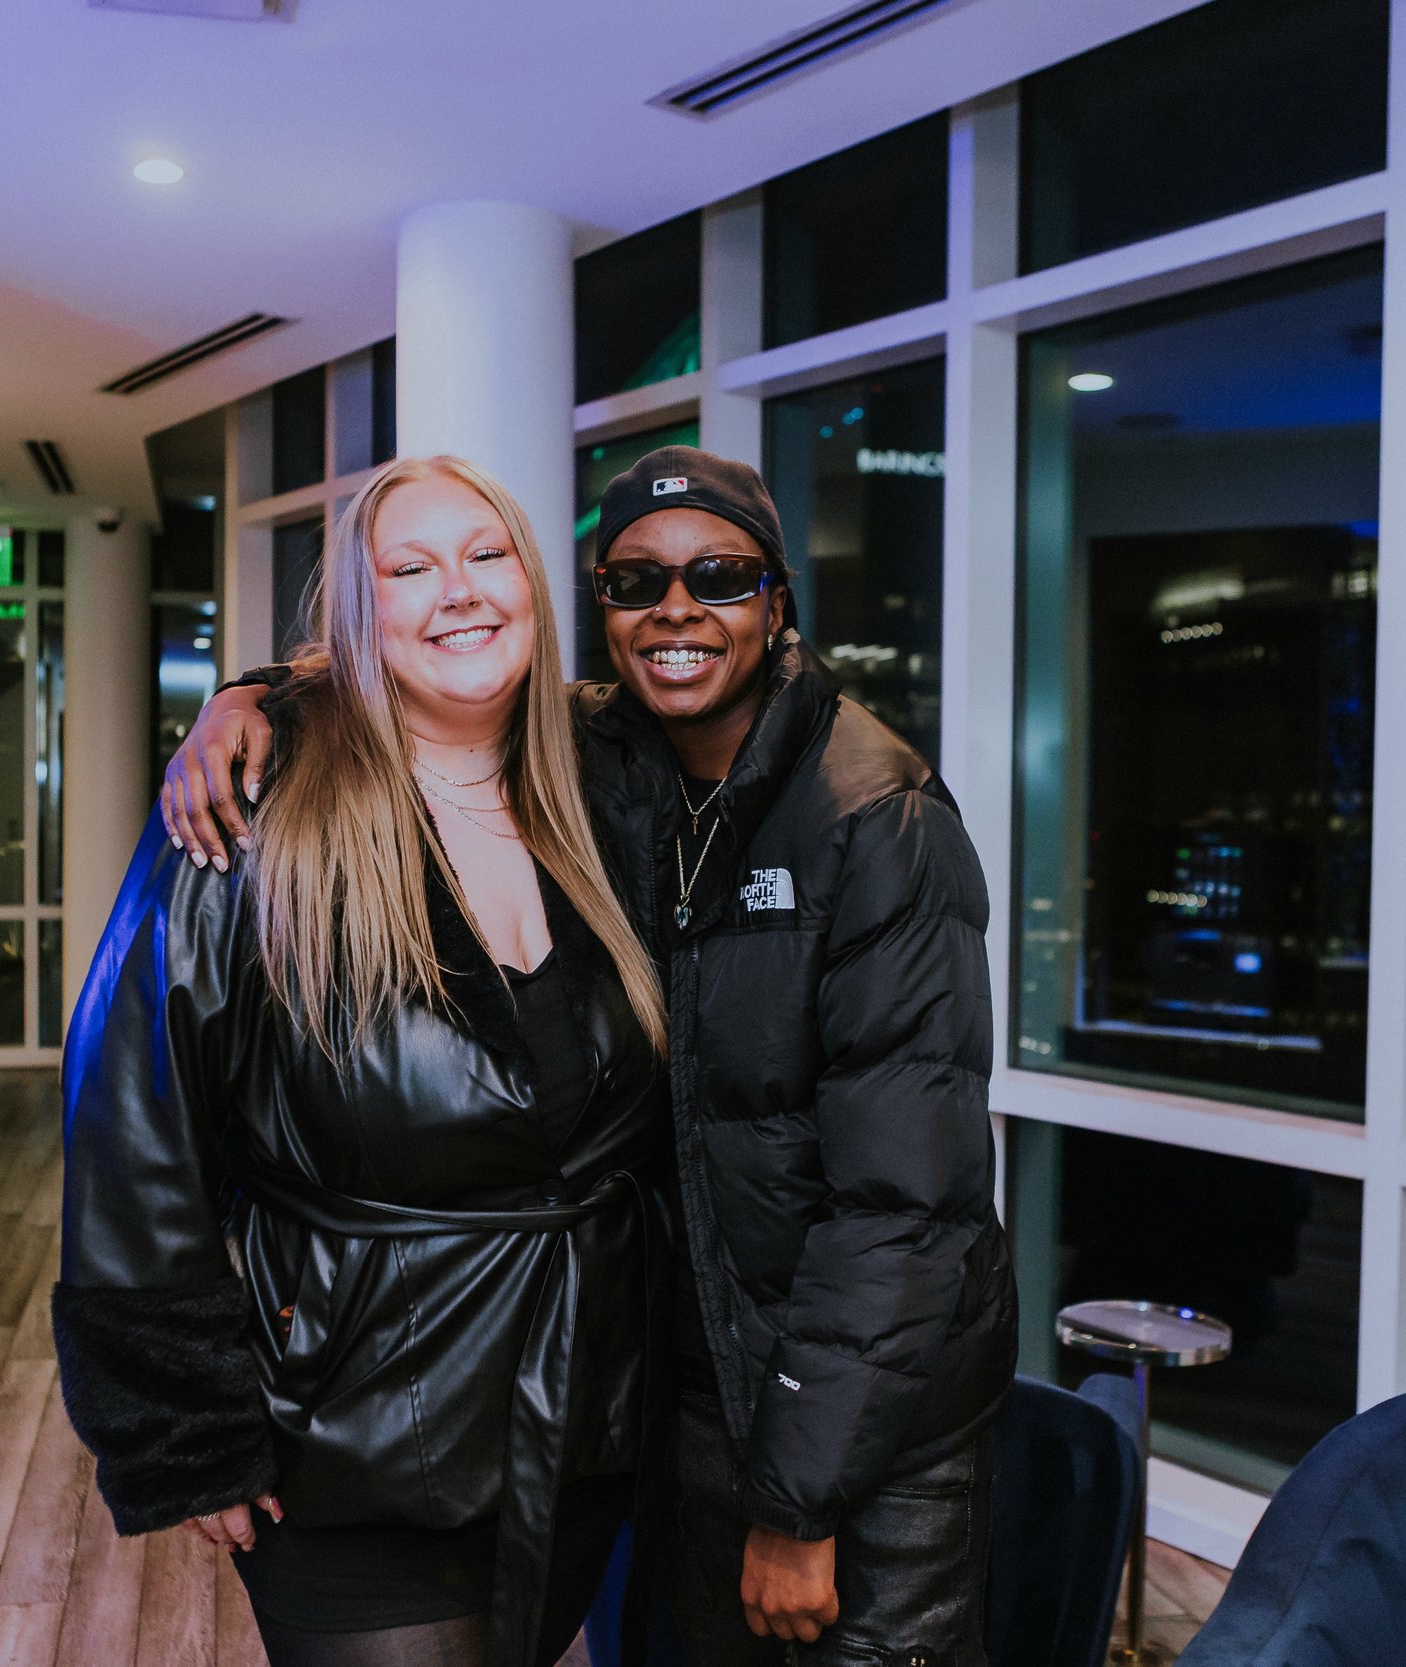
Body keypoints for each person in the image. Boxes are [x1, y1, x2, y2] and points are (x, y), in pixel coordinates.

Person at [166, 446, 1016, 1666]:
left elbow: (904, 1205)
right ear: (599, 610)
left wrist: (799, 1499)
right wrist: (249, 698)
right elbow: (413, 666)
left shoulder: (875, 817)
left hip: (867, 1431)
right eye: (635, 582)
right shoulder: (612, 762)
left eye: (718, 575)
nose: (676, 611)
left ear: (778, 600)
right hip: (683, 1395)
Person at [54, 454, 670, 1667]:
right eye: (411, 565)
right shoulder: (256, 806)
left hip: (582, 1420)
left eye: (488, 555)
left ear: (535, 586)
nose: (460, 590)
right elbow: (133, 1120)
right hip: (350, 1433)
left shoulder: (611, 785)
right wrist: (185, 1427)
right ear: (357, 612)